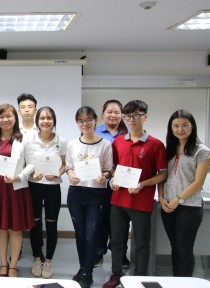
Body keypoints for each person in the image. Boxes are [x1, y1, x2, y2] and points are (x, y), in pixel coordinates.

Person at [103, 100, 167, 288]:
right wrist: (113, 180)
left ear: (145, 117)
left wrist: (142, 184)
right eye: (128, 116)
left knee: (141, 243)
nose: (131, 120)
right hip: (118, 200)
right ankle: (116, 274)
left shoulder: (156, 145)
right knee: (116, 241)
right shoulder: (118, 142)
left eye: (136, 116)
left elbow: (162, 174)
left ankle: (139, 277)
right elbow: (113, 168)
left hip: (141, 201)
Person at [159, 110, 210, 276]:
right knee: (174, 246)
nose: (180, 129)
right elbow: (162, 175)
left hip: (189, 206)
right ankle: (177, 281)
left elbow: (198, 182)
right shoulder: (169, 148)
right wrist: (162, 198)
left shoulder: (202, 151)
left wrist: (177, 199)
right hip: (168, 205)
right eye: (175, 126)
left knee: (184, 249)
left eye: (184, 125)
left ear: (192, 127)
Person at [65, 106, 113, 288]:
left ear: (95, 120)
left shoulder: (105, 144)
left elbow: (109, 168)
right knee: (80, 233)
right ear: (77, 123)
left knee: (91, 233)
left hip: (96, 193)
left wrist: (105, 176)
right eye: (81, 121)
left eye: (88, 120)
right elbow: (69, 166)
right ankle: (82, 267)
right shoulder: (72, 144)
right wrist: (70, 174)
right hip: (76, 192)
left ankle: (88, 272)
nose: (85, 124)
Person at [0, 103, 35, 278]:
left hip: (16, 188)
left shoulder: (24, 139)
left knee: (15, 229)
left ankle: (13, 265)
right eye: (1, 116)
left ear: (15, 118)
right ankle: (3, 263)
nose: (5, 120)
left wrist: (19, 176)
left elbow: (32, 164)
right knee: (0, 228)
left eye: (8, 116)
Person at [28, 106, 67, 279]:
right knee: (35, 223)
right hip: (34, 186)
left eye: (49, 118)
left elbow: (65, 164)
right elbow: (25, 163)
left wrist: (58, 173)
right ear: (37, 121)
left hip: (53, 187)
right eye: (42, 118)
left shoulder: (61, 141)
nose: (45, 121)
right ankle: (37, 258)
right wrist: (31, 173)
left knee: (51, 224)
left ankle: (48, 261)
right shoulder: (29, 140)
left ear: (54, 121)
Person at [94, 100, 130, 268]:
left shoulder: (128, 132)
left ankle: (121, 254)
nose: (113, 115)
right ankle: (98, 252)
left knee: (121, 222)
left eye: (116, 112)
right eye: (109, 112)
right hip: (101, 184)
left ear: (122, 114)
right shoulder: (95, 131)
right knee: (100, 220)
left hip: (122, 186)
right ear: (103, 113)